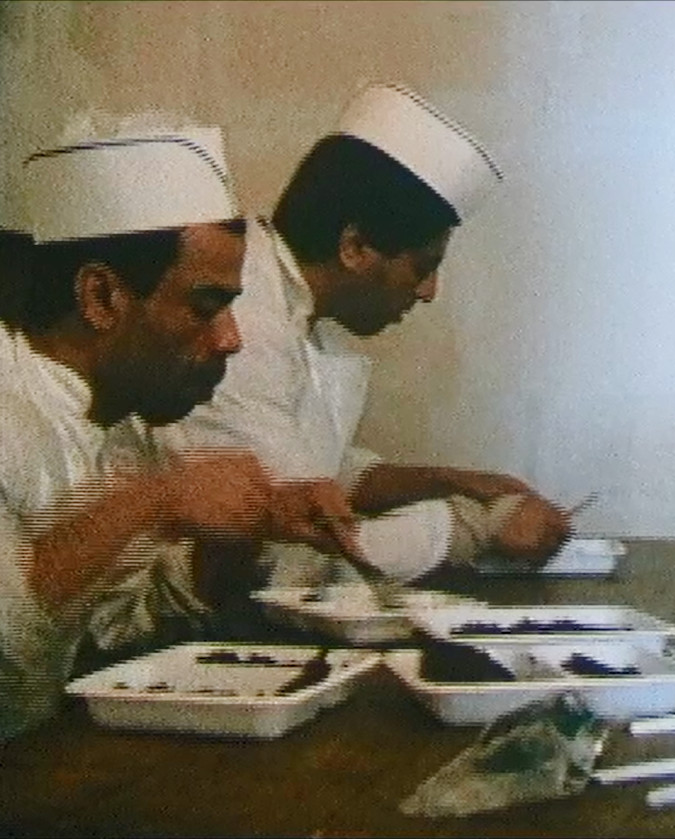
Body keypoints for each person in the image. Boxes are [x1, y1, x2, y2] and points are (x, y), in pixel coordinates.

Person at [0, 123, 363, 740]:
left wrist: (238, 536)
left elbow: (112, 636)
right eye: (205, 308)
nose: (232, 338)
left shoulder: (123, 428)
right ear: (100, 298)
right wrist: (154, 501)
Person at [158, 82, 571, 588]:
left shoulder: (298, 307)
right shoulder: (245, 323)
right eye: (422, 267)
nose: (429, 292)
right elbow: (292, 554)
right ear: (353, 247)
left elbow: (320, 469)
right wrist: (475, 528)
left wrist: (450, 482)